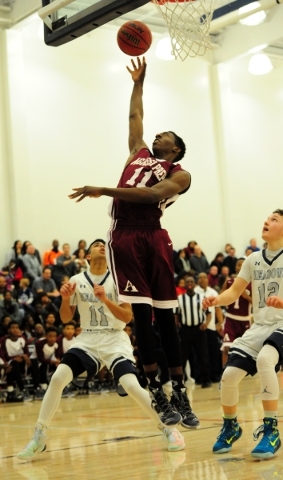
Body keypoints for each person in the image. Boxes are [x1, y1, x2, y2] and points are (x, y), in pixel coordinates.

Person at [68, 57, 199, 428]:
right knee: (142, 316)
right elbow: (134, 118)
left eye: (165, 136)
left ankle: (180, 391)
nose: (157, 136)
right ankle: (157, 389)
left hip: (153, 235)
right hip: (124, 235)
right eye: (156, 134)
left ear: (175, 148)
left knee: (167, 319)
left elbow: (149, 195)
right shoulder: (138, 152)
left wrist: (103, 189)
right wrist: (138, 84)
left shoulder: (180, 173)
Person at [16, 239, 185, 460]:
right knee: (58, 378)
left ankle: (168, 429)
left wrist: (104, 299)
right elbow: (66, 318)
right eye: (96, 245)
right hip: (87, 338)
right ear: (86, 256)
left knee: (131, 385)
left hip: (114, 338)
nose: (101, 246)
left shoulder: (119, 279)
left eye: (104, 244)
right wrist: (66, 300)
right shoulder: (76, 280)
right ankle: (39, 435)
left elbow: (126, 317)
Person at [202, 209, 283, 459]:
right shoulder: (253, 259)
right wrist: (216, 300)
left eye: (274, 219)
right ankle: (231, 425)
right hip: (260, 326)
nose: (266, 221)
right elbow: (234, 292)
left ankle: (272, 429)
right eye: (267, 218)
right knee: (229, 375)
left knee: (265, 360)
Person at [175, 276, 212, 388]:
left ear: (195, 284)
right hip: (185, 330)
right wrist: (177, 324)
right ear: (185, 285)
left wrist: (206, 323)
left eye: (191, 281)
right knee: (182, 356)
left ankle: (205, 380)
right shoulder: (180, 298)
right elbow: (176, 314)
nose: (189, 283)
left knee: (203, 355)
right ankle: (180, 381)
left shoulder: (202, 297)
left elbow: (208, 313)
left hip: (199, 329)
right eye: (187, 282)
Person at [221, 258, 252, 367]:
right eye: (238, 264)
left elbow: (256, 302)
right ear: (235, 267)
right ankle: (224, 373)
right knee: (227, 348)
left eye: (243, 264)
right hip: (231, 319)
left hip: (245, 320)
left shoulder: (252, 283)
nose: (240, 266)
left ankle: (243, 371)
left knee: (245, 350)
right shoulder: (229, 281)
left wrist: (246, 296)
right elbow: (221, 297)